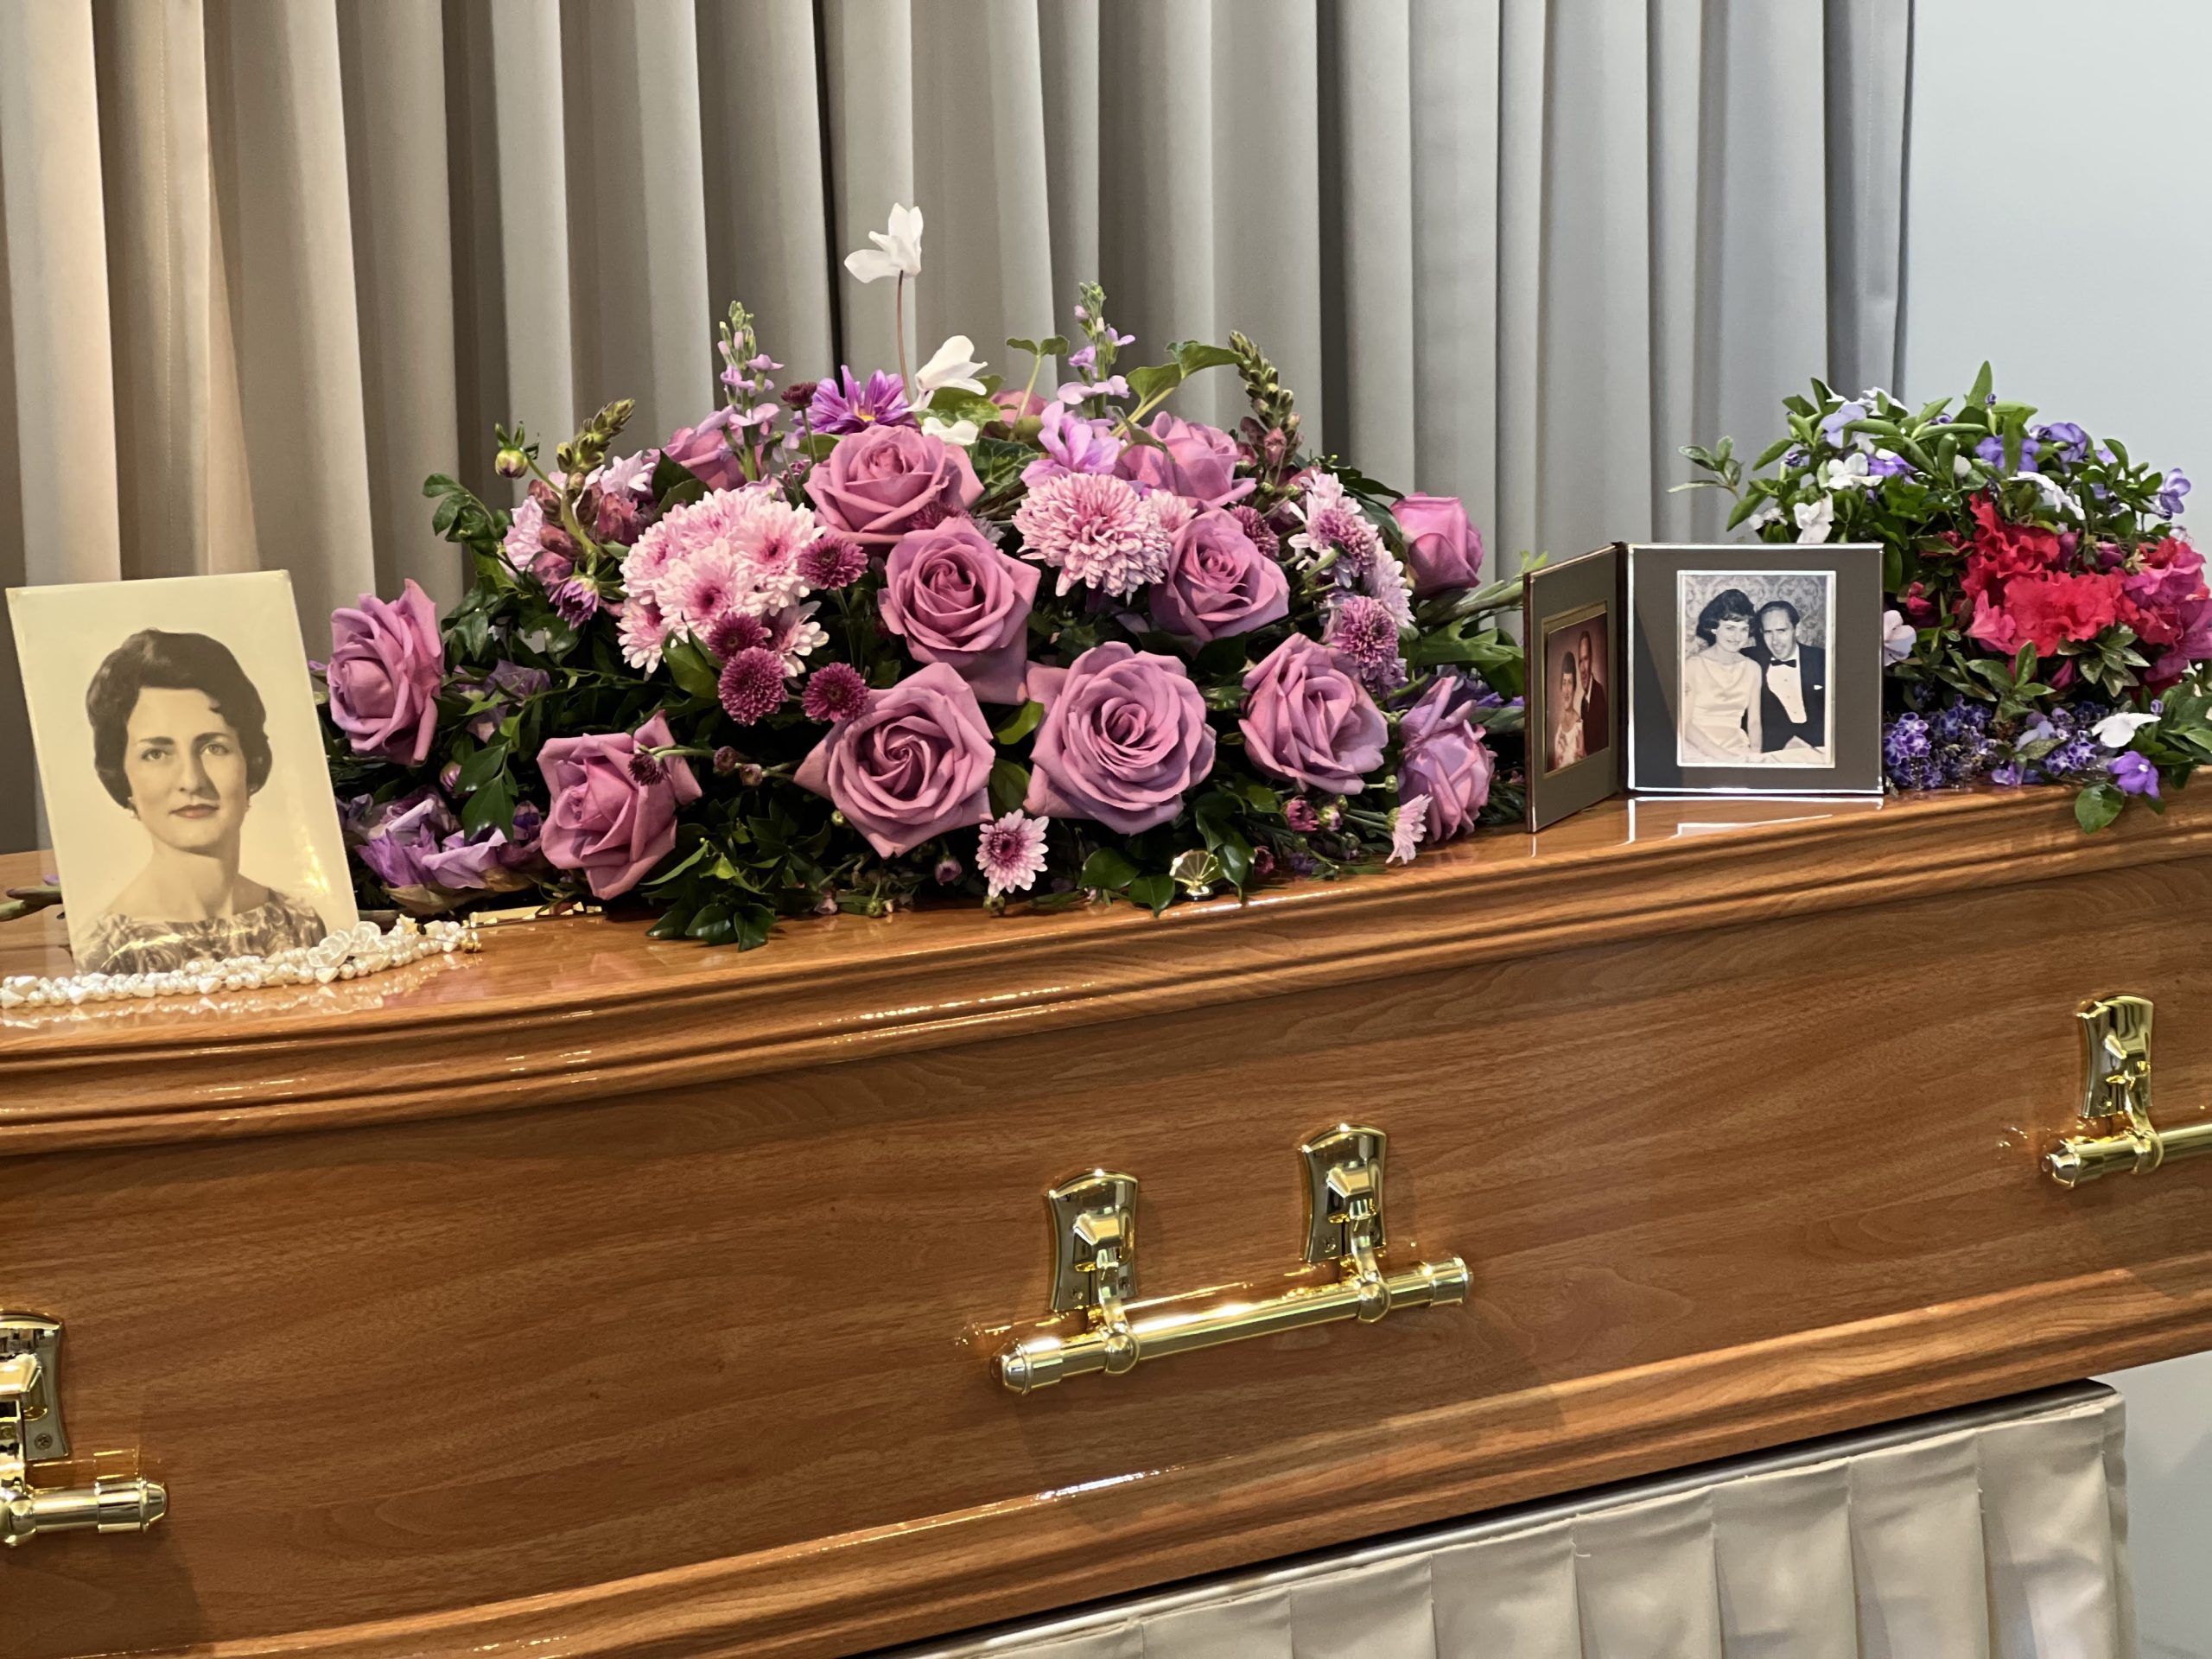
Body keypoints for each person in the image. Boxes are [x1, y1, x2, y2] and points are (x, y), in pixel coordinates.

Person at [78, 630, 328, 975]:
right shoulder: (105, 954)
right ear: (123, 778)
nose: (192, 780)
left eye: (214, 747)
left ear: (250, 763)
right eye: (156, 754)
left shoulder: (300, 922)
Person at [1679, 588, 1764, 762]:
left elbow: (1754, 722)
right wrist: (1724, 757)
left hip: (1738, 747)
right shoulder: (1693, 666)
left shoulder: (1753, 669)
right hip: (1696, 749)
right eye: (1730, 628)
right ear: (1714, 628)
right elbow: (1685, 725)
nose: (1737, 637)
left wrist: (1756, 753)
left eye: (1744, 629)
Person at [1754, 600, 1827, 755]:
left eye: (1781, 631)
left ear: (1797, 629)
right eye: (1768, 632)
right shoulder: (1751, 661)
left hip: (1819, 747)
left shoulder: (1823, 660)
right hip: (1774, 750)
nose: (1775, 641)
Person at [1575, 627, 1610, 754]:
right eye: (1580, 661)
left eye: (1586, 659)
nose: (1582, 669)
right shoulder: (1582, 703)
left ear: (1592, 660)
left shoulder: (1599, 694)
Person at [1551, 655, 1586, 770]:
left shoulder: (1580, 727)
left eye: (1570, 683)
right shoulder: (1558, 731)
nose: (1566, 690)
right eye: (1564, 683)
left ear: (1575, 688)